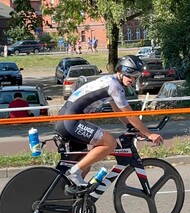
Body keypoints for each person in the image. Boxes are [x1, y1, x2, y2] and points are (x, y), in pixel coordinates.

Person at [54, 55, 163, 194]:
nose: (133, 79)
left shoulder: (109, 81)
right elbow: (129, 113)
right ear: (122, 70)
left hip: (66, 120)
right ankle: (74, 173)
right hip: (70, 121)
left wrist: (130, 127)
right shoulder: (114, 86)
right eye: (131, 74)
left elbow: (118, 110)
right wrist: (148, 133)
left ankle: (71, 204)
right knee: (110, 143)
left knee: (84, 165)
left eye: (137, 76)